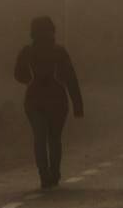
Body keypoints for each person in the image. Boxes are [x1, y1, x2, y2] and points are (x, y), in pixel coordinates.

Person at [13, 15, 83, 189]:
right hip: (57, 100)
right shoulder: (59, 51)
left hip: (34, 99)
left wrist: (30, 79)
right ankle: (54, 173)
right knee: (54, 138)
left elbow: (19, 74)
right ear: (52, 31)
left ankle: (44, 174)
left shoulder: (27, 51)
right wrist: (77, 105)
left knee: (39, 137)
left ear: (32, 32)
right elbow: (70, 78)